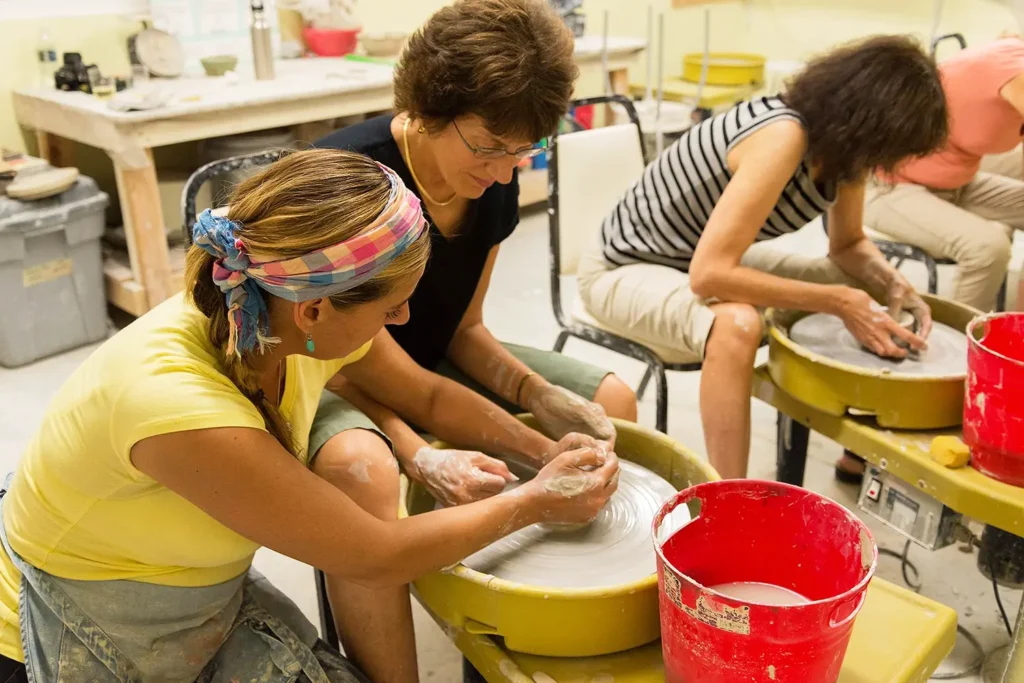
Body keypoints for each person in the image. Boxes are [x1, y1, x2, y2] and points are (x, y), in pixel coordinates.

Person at [0, 150, 619, 682]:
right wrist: (534, 502)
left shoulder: (276, 307)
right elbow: (376, 555)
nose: (401, 321)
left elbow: (425, 396)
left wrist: (541, 444)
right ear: (315, 312)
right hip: (77, 615)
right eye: (392, 308)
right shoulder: (179, 406)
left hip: (196, 587)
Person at [312, 1, 636, 674]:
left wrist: (539, 393)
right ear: (431, 105)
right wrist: (518, 451)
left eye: (525, 149)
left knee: (612, 404)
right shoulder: (349, 181)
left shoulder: (493, 181)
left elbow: (462, 330)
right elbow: (364, 372)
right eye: (489, 145)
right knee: (364, 472)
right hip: (329, 372)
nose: (506, 170)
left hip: (424, 364)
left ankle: (520, 627)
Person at [577, 35, 948, 481]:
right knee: (737, 324)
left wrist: (891, 282)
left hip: (688, 259)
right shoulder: (782, 135)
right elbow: (710, 275)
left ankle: (858, 451)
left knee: (864, 288)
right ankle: (727, 498)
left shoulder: (846, 153)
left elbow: (848, 246)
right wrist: (836, 302)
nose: (893, 163)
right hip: (621, 267)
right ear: (870, 123)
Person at [864, 36, 1024, 312]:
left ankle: (1017, 324)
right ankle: (965, 344)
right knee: (987, 249)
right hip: (886, 186)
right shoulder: (1012, 69)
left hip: (953, 179)